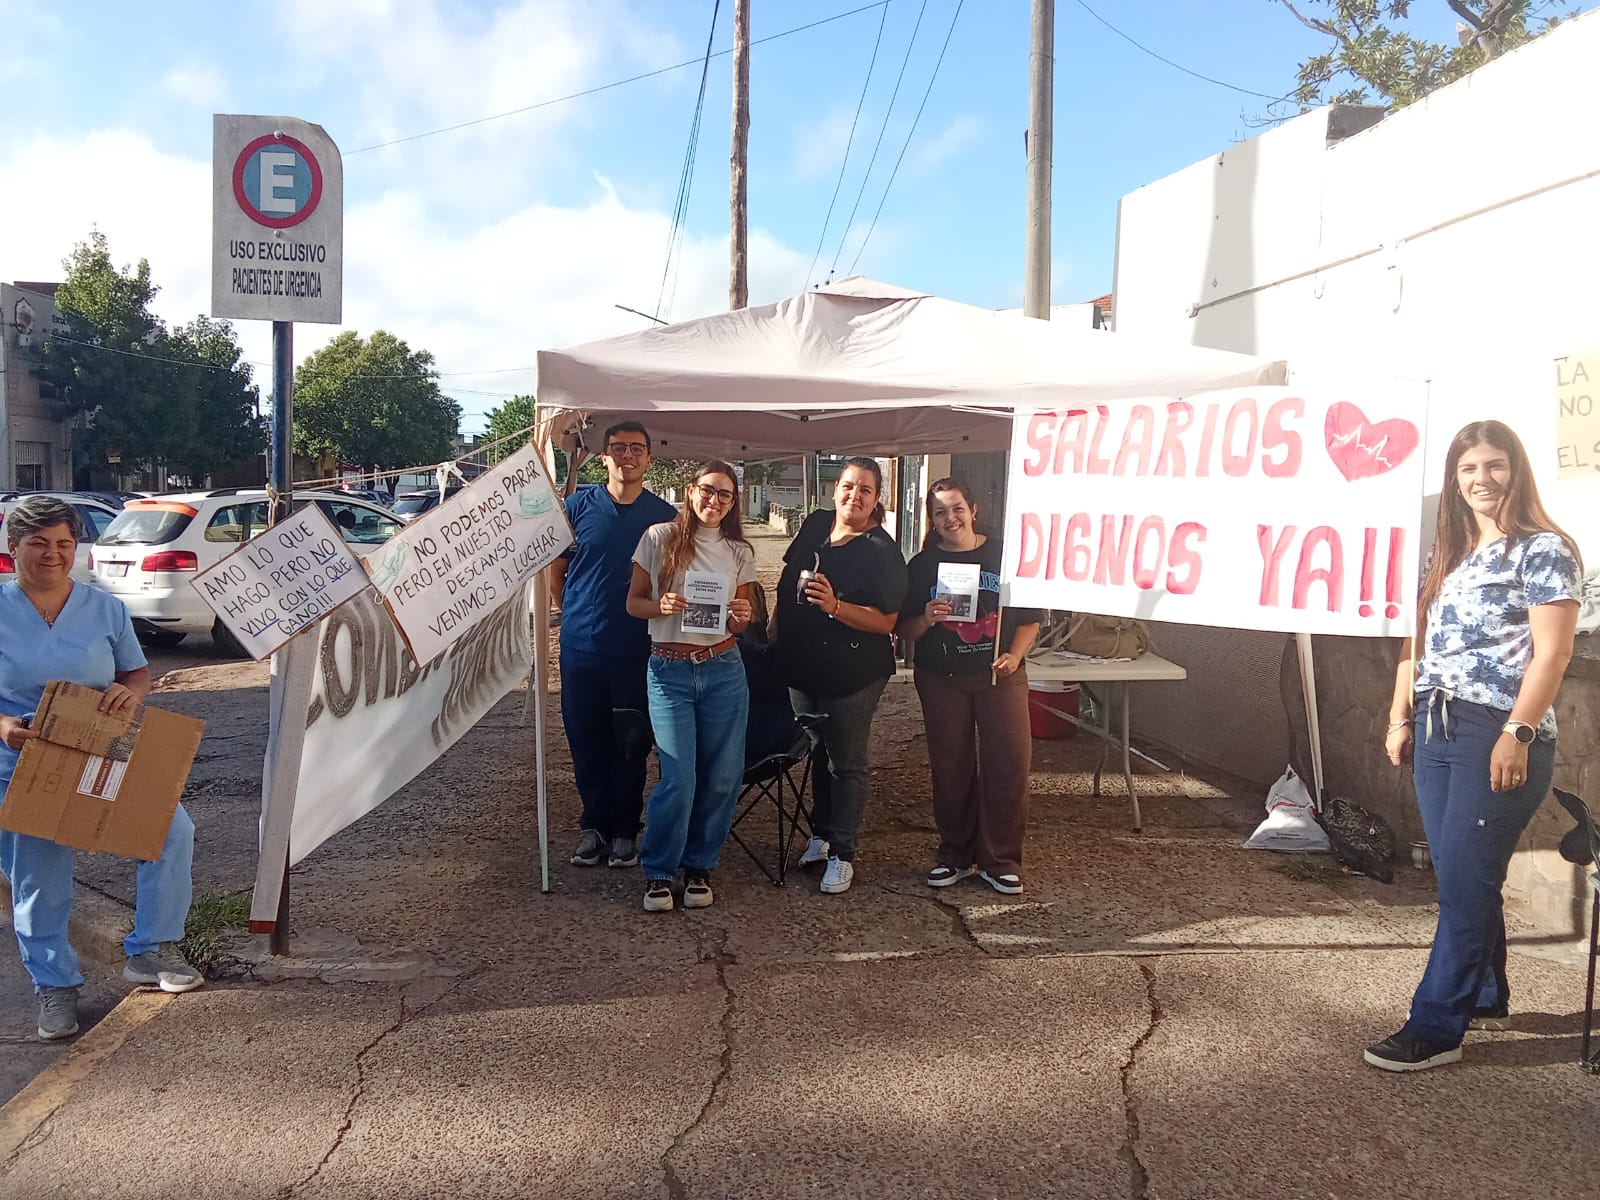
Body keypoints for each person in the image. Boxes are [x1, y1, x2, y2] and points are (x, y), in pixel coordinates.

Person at [1367, 420, 1582, 1073]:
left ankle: (1436, 1025)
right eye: (1469, 469)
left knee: (1464, 881)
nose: (1482, 479)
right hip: (1434, 724)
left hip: (1497, 729)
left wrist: (1518, 731)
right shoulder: (1449, 553)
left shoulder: (1543, 550)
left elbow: (1555, 652)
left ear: (1515, 470)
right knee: (1461, 875)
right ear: (1455, 482)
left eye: (1494, 465)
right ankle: (1485, 994)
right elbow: (1416, 641)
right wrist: (1398, 716)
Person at [0, 496, 203, 1043]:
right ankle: (55, 984)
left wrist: (126, 693)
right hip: (22, 760)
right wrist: (2, 725)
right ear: (12, 547)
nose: (53, 554)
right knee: (38, 878)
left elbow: (137, 675)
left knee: (170, 830)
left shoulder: (103, 608)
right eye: (38, 543)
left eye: (64, 543)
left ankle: (152, 950)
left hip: (100, 750)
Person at [896, 478, 1042, 896]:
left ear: (973, 509)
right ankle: (955, 854)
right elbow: (904, 629)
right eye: (940, 512)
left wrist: (1014, 655)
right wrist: (925, 618)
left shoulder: (1003, 554)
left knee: (1009, 764)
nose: (950, 518)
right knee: (951, 767)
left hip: (1001, 675)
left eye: (957, 508)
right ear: (932, 519)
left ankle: (1000, 860)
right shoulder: (921, 565)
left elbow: (1030, 616)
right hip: (941, 678)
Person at [772, 457, 908, 894]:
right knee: (816, 753)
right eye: (848, 486)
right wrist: (775, 630)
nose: (854, 495)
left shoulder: (881, 551)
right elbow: (787, 581)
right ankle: (821, 834)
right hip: (802, 665)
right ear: (835, 489)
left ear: (877, 499)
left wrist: (834, 607)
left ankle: (843, 854)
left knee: (846, 764)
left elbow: (887, 621)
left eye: (865, 489)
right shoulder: (815, 523)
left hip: (853, 674)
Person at [625, 461, 756, 912]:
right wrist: (659, 604)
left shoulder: (739, 550)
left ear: (732, 502)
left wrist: (741, 617)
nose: (714, 501)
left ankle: (700, 864)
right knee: (679, 776)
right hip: (668, 671)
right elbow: (633, 604)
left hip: (722, 669)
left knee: (722, 775)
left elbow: (744, 616)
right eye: (707, 491)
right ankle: (659, 871)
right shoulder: (659, 538)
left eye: (724, 495)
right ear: (691, 490)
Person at [550, 421, 676, 870]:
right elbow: (557, 573)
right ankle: (594, 826)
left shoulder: (665, 518)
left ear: (648, 459)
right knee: (586, 739)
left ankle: (625, 829)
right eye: (619, 448)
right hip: (581, 649)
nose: (628, 455)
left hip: (639, 650)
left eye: (637, 449)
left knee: (631, 741)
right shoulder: (576, 507)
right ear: (604, 456)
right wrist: (574, 613)